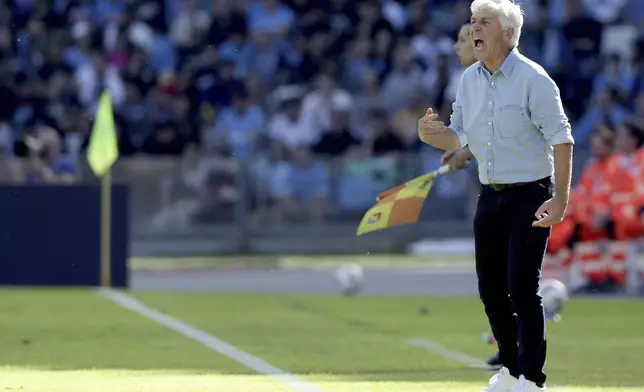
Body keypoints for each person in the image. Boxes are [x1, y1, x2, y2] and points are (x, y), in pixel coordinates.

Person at [419, 1, 574, 391]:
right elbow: (457, 135)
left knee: (522, 287)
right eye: (472, 21)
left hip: (531, 194)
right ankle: (508, 369)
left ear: (507, 34)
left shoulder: (534, 79)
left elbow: (563, 139)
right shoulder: (470, 79)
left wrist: (560, 201)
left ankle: (532, 379)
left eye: (484, 22)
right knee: (491, 288)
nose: (474, 28)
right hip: (491, 196)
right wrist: (429, 134)